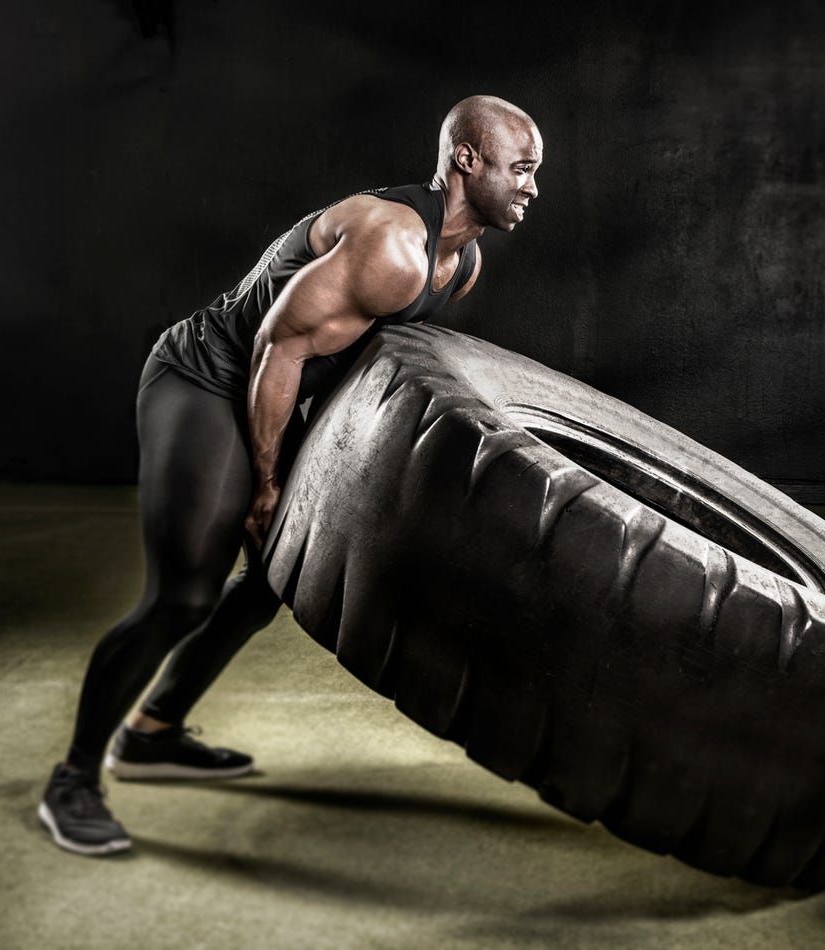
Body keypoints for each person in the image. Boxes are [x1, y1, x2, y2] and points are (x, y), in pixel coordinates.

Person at [38, 95, 543, 856]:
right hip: (206, 377)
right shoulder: (396, 244)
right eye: (523, 168)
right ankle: (72, 779)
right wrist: (267, 484)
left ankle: (153, 732)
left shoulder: (460, 262)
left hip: (278, 385)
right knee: (184, 593)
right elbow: (278, 346)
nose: (533, 186)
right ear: (467, 161)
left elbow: (357, 360)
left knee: (272, 576)